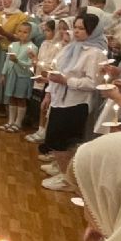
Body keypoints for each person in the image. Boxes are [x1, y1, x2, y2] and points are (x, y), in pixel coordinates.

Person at [39, 12, 106, 189]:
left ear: (93, 31)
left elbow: (93, 83)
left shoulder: (95, 53)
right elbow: (58, 70)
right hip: (60, 99)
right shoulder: (71, 48)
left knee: (64, 141)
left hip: (76, 102)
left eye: (81, 29)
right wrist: (49, 90)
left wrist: (66, 80)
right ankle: (63, 171)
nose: (76, 32)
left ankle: (68, 180)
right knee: (55, 139)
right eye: (75, 27)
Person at [1, 20, 36, 133]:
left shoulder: (32, 48)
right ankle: (11, 121)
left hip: (23, 76)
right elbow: (7, 60)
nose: (22, 34)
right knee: (11, 97)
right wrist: (3, 73)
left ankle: (18, 122)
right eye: (20, 31)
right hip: (12, 74)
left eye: (25, 32)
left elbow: (31, 65)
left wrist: (18, 61)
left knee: (20, 99)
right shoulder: (13, 45)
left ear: (31, 34)